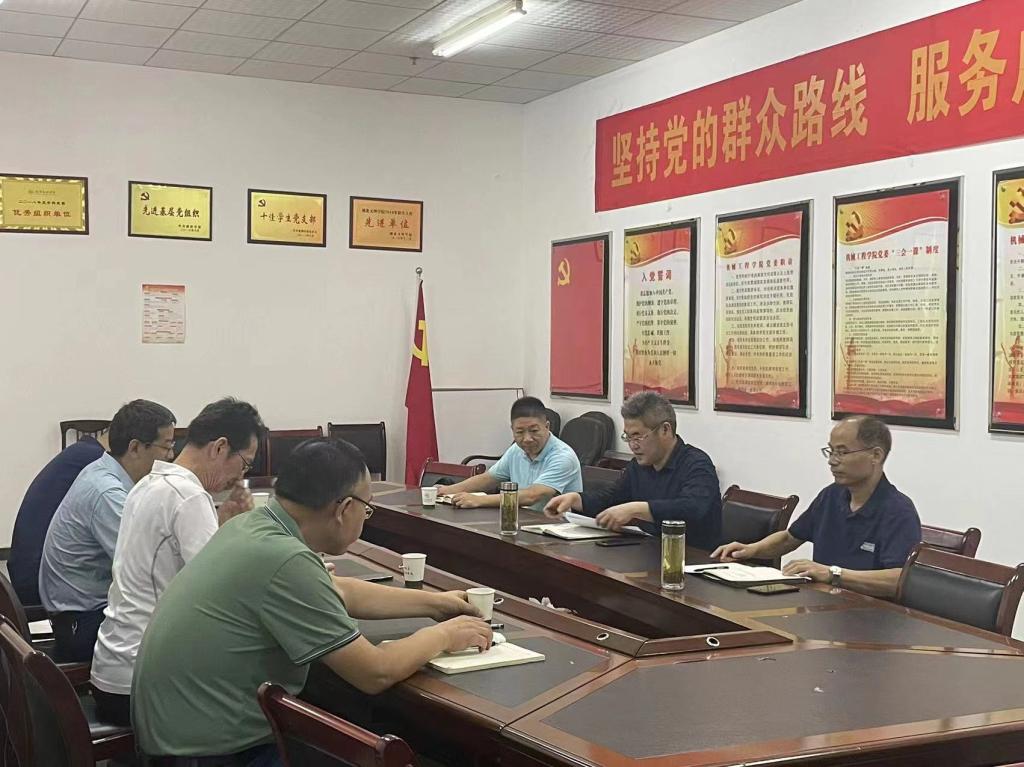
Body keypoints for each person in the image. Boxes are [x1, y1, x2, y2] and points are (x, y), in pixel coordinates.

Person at [132, 438, 490, 765]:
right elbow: (375, 672)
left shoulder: (254, 525)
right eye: (366, 509)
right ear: (344, 508)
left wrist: (435, 603)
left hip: (175, 731)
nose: (364, 518)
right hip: (210, 752)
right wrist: (445, 635)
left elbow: (340, 590)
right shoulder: (284, 558)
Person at [90, 397, 264, 725]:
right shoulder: (188, 496)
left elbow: (191, 569)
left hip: (113, 668)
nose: (240, 476)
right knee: (262, 708)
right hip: (142, 681)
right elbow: (224, 592)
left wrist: (224, 526)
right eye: (244, 463)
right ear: (220, 447)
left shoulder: (148, 484)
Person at [711, 416, 921, 599]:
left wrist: (834, 574)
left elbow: (899, 579)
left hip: (870, 615)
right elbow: (790, 538)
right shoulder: (831, 496)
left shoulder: (898, 510)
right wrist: (750, 549)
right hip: (822, 603)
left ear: (876, 455)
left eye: (842, 452)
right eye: (831, 451)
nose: (832, 461)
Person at [38, 400, 176, 662]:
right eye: (167, 446)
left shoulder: (101, 470)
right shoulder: (108, 493)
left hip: (76, 610)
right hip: (82, 622)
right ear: (135, 447)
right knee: (185, 632)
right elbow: (147, 570)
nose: (171, 456)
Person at [544, 391, 722, 549]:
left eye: (638, 436)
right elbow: (612, 498)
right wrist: (576, 499)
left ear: (665, 430)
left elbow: (691, 508)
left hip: (692, 559)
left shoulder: (697, 464)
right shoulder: (639, 465)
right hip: (649, 552)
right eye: (628, 437)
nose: (632, 446)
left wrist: (637, 509)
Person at [8, 433, 108, 606]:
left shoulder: (79, 452)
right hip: (39, 580)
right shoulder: (96, 461)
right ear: (134, 447)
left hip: (23, 571)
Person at [441, 396, 581, 511]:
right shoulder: (516, 450)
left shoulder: (563, 457)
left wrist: (479, 500)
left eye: (534, 431)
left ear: (547, 426)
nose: (527, 439)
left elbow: (533, 496)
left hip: (556, 527)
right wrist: (446, 491)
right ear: (512, 430)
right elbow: (488, 479)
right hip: (523, 520)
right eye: (519, 432)